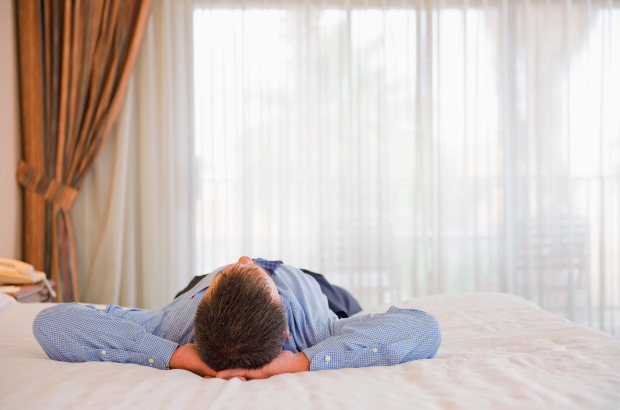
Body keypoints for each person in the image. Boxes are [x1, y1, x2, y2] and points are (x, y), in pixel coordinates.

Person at [33, 257, 442, 380]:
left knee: (351, 307)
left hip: (307, 287)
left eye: (247, 267)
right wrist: (177, 354)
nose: (245, 257)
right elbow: (50, 323)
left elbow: (423, 328)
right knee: (346, 311)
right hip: (310, 293)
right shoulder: (318, 333)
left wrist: (300, 361)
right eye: (237, 267)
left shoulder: (314, 331)